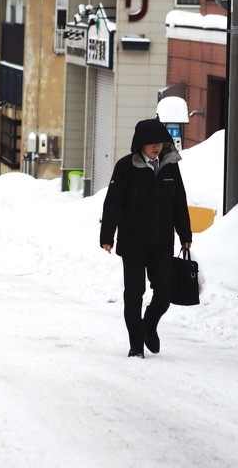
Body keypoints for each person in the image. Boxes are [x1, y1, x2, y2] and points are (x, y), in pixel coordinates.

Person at [100, 117, 192, 358]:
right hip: (132, 242)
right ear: (140, 143)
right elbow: (113, 203)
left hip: (162, 242)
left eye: (160, 142)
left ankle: (149, 326)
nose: (157, 147)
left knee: (164, 292)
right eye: (152, 142)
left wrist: (185, 234)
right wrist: (107, 235)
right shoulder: (125, 167)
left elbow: (179, 202)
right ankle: (135, 345)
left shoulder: (171, 166)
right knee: (134, 293)